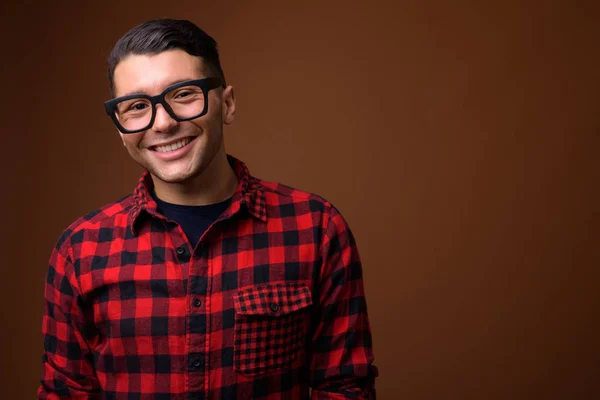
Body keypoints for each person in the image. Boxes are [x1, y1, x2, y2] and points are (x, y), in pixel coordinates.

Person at [39, 18, 377, 399]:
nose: (163, 123)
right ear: (121, 127)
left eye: (183, 94)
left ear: (227, 104)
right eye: (136, 106)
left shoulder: (316, 228)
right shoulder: (80, 251)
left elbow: (346, 387)